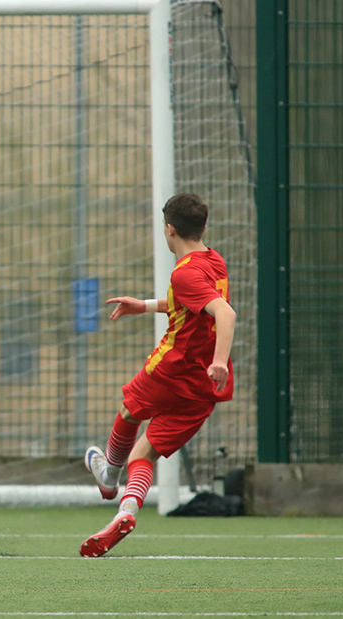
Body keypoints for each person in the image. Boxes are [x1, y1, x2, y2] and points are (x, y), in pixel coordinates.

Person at [81, 193, 236, 557]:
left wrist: (219, 358)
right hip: (204, 389)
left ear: (169, 230)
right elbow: (195, 302)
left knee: (128, 412)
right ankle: (126, 510)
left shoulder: (183, 272)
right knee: (145, 454)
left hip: (173, 369)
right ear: (202, 227)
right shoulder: (215, 261)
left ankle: (108, 480)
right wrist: (146, 305)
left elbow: (225, 314)